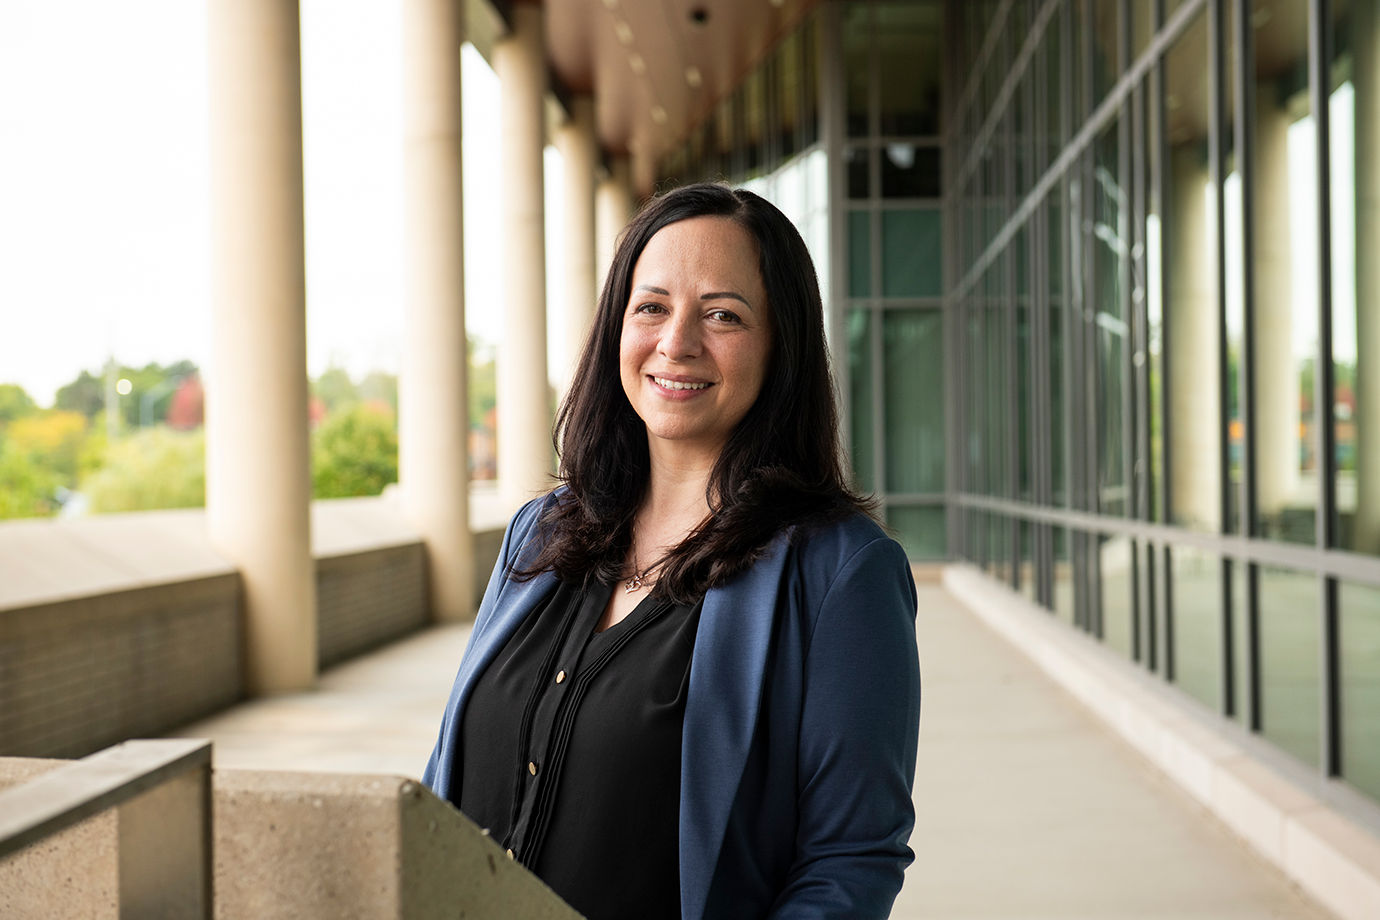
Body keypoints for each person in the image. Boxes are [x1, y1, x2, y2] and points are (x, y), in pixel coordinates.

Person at [423, 183, 921, 920]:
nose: (676, 342)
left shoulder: (841, 574)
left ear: (782, 343)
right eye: (651, 307)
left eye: (723, 314)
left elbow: (849, 862)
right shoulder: (539, 531)